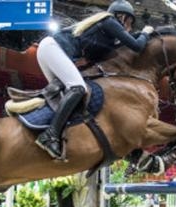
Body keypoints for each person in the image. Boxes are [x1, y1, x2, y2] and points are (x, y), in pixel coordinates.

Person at [35, 0, 154, 160]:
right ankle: (50, 135)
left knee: (64, 96)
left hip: (49, 49)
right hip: (53, 48)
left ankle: (51, 131)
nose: (130, 26)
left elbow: (123, 44)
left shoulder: (106, 35)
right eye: (129, 22)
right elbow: (137, 46)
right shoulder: (109, 21)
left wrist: (140, 36)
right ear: (122, 17)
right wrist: (146, 32)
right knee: (78, 88)